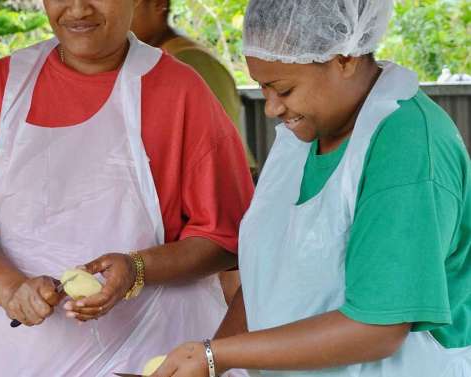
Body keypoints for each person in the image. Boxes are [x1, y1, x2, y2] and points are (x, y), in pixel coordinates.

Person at [0, 0, 254, 375]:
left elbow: (228, 241)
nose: (78, 9)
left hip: (158, 351)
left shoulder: (181, 90)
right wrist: (11, 290)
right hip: (30, 357)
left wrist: (138, 268)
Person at [151, 1, 471, 376]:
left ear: (345, 58)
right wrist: (215, 363)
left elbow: (379, 328)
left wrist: (216, 356)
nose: (271, 108)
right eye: (262, 87)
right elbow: (264, 277)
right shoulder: (304, 132)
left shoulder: (408, 146)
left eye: (283, 90)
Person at [131, 0, 255, 306]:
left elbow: (220, 167)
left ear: (158, 5)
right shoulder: (141, 65)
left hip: (208, 238)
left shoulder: (189, 66)